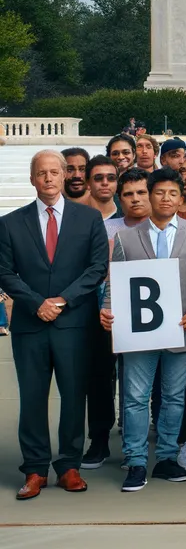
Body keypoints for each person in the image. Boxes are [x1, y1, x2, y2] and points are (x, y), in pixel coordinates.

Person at [102, 168, 186, 491]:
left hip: (183, 329)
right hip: (140, 331)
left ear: (180, 199)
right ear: (149, 195)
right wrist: (107, 307)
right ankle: (137, 461)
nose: (166, 198)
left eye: (173, 193)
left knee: (174, 397)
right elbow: (116, 280)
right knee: (135, 397)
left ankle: (167, 457)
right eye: (159, 193)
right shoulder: (125, 237)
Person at [1, 150, 110, 499]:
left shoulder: (89, 219)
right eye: (41, 173)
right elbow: (4, 272)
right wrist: (37, 303)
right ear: (32, 179)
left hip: (74, 324)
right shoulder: (10, 223)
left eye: (54, 172)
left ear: (65, 176)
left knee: (74, 396)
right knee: (32, 398)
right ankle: (35, 470)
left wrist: (61, 301)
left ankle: (69, 466)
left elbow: (96, 268)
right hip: (31, 326)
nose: (48, 178)